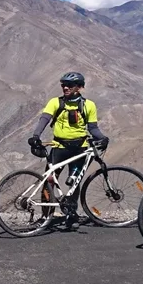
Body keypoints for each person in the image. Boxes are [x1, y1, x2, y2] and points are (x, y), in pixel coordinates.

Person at [28, 72, 109, 229]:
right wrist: (35, 135)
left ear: (79, 87)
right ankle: (46, 216)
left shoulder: (89, 105)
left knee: (75, 181)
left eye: (69, 85)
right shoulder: (55, 102)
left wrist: (103, 138)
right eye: (63, 85)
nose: (65, 87)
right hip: (59, 147)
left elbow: (93, 128)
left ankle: (72, 213)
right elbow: (44, 119)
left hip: (80, 148)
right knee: (49, 180)